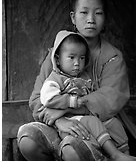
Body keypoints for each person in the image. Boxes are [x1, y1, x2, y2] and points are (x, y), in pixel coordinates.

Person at [17, 0, 135, 161]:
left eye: (98, 13)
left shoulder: (113, 57)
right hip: (60, 126)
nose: (91, 19)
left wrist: (64, 109)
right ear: (73, 17)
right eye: (84, 12)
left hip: (100, 128)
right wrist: (59, 120)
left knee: (72, 149)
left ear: (105, 19)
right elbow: (37, 98)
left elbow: (110, 99)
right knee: (28, 139)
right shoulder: (56, 55)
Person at [39, 30, 135, 161]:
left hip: (87, 115)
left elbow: (96, 95)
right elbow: (47, 98)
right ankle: (113, 154)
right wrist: (71, 102)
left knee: (114, 123)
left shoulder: (85, 77)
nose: (77, 63)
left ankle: (125, 152)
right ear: (58, 59)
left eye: (82, 58)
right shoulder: (55, 79)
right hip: (71, 120)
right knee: (93, 122)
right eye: (71, 57)